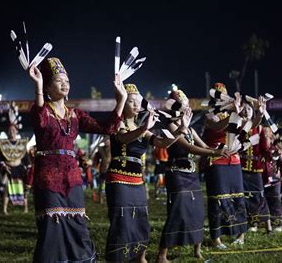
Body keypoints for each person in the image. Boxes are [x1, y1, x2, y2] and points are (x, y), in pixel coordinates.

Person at [28, 57, 126, 262]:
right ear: (47, 86)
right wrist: (37, 87)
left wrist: (121, 100)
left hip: (72, 175)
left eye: (67, 80)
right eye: (58, 80)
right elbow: (40, 120)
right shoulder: (43, 110)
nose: (65, 83)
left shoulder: (76, 115)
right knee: (52, 223)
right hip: (47, 175)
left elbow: (107, 128)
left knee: (76, 222)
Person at [104, 83, 185, 262]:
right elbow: (123, 139)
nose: (135, 105)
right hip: (118, 179)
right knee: (122, 221)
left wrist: (181, 129)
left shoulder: (143, 128)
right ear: (122, 102)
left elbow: (163, 143)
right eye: (131, 101)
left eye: (137, 102)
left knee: (141, 220)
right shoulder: (116, 123)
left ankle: (141, 258)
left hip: (137, 181)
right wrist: (143, 128)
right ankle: (118, 258)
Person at [156, 89, 228, 262]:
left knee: (197, 211)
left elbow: (204, 146)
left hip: (191, 174)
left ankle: (197, 251)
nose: (187, 107)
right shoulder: (172, 126)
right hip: (176, 174)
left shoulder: (191, 129)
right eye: (184, 105)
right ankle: (162, 255)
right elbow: (190, 148)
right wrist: (212, 153)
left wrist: (219, 151)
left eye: (188, 104)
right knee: (177, 212)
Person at [201, 83, 249, 249]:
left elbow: (247, 128)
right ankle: (217, 238)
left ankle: (241, 234)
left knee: (238, 197)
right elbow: (217, 126)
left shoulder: (233, 112)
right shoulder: (209, 115)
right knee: (217, 199)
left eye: (223, 97)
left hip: (234, 160)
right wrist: (234, 114)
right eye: (217, 97)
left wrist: (251, 115)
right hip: (216, 160)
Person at [239, 100, 272, 234]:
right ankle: (250, 224)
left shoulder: (259, 129)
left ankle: (268, 226)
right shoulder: (237, 127)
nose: (246, 111)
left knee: (259, 196)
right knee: (243, 197)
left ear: (254, 113)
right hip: (240, 168)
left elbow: (265, 149)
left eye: (249, 109)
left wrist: (271, 153)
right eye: (244, 108)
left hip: (256, 168)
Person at [0, 124, 30, 214]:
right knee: (7, 189)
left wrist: (28, 168)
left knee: (23, 188)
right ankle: (4, 209)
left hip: (19, 168)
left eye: (13, 130)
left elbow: (26, 158)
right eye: (10, 130)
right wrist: (4, 166)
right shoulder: (3, 144)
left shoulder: (22, 144)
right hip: (8, 168)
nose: (12, 132)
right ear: (7, 132)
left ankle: (25, 208)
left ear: (16, 131)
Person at [263, 125, 282, 231]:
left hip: (275, 180)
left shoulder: (277, 149)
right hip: (262, 179)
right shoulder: (261, 149)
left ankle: (277, 224)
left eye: (268, 136)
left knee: (275, 202)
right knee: (261, 202)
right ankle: (257, 224)